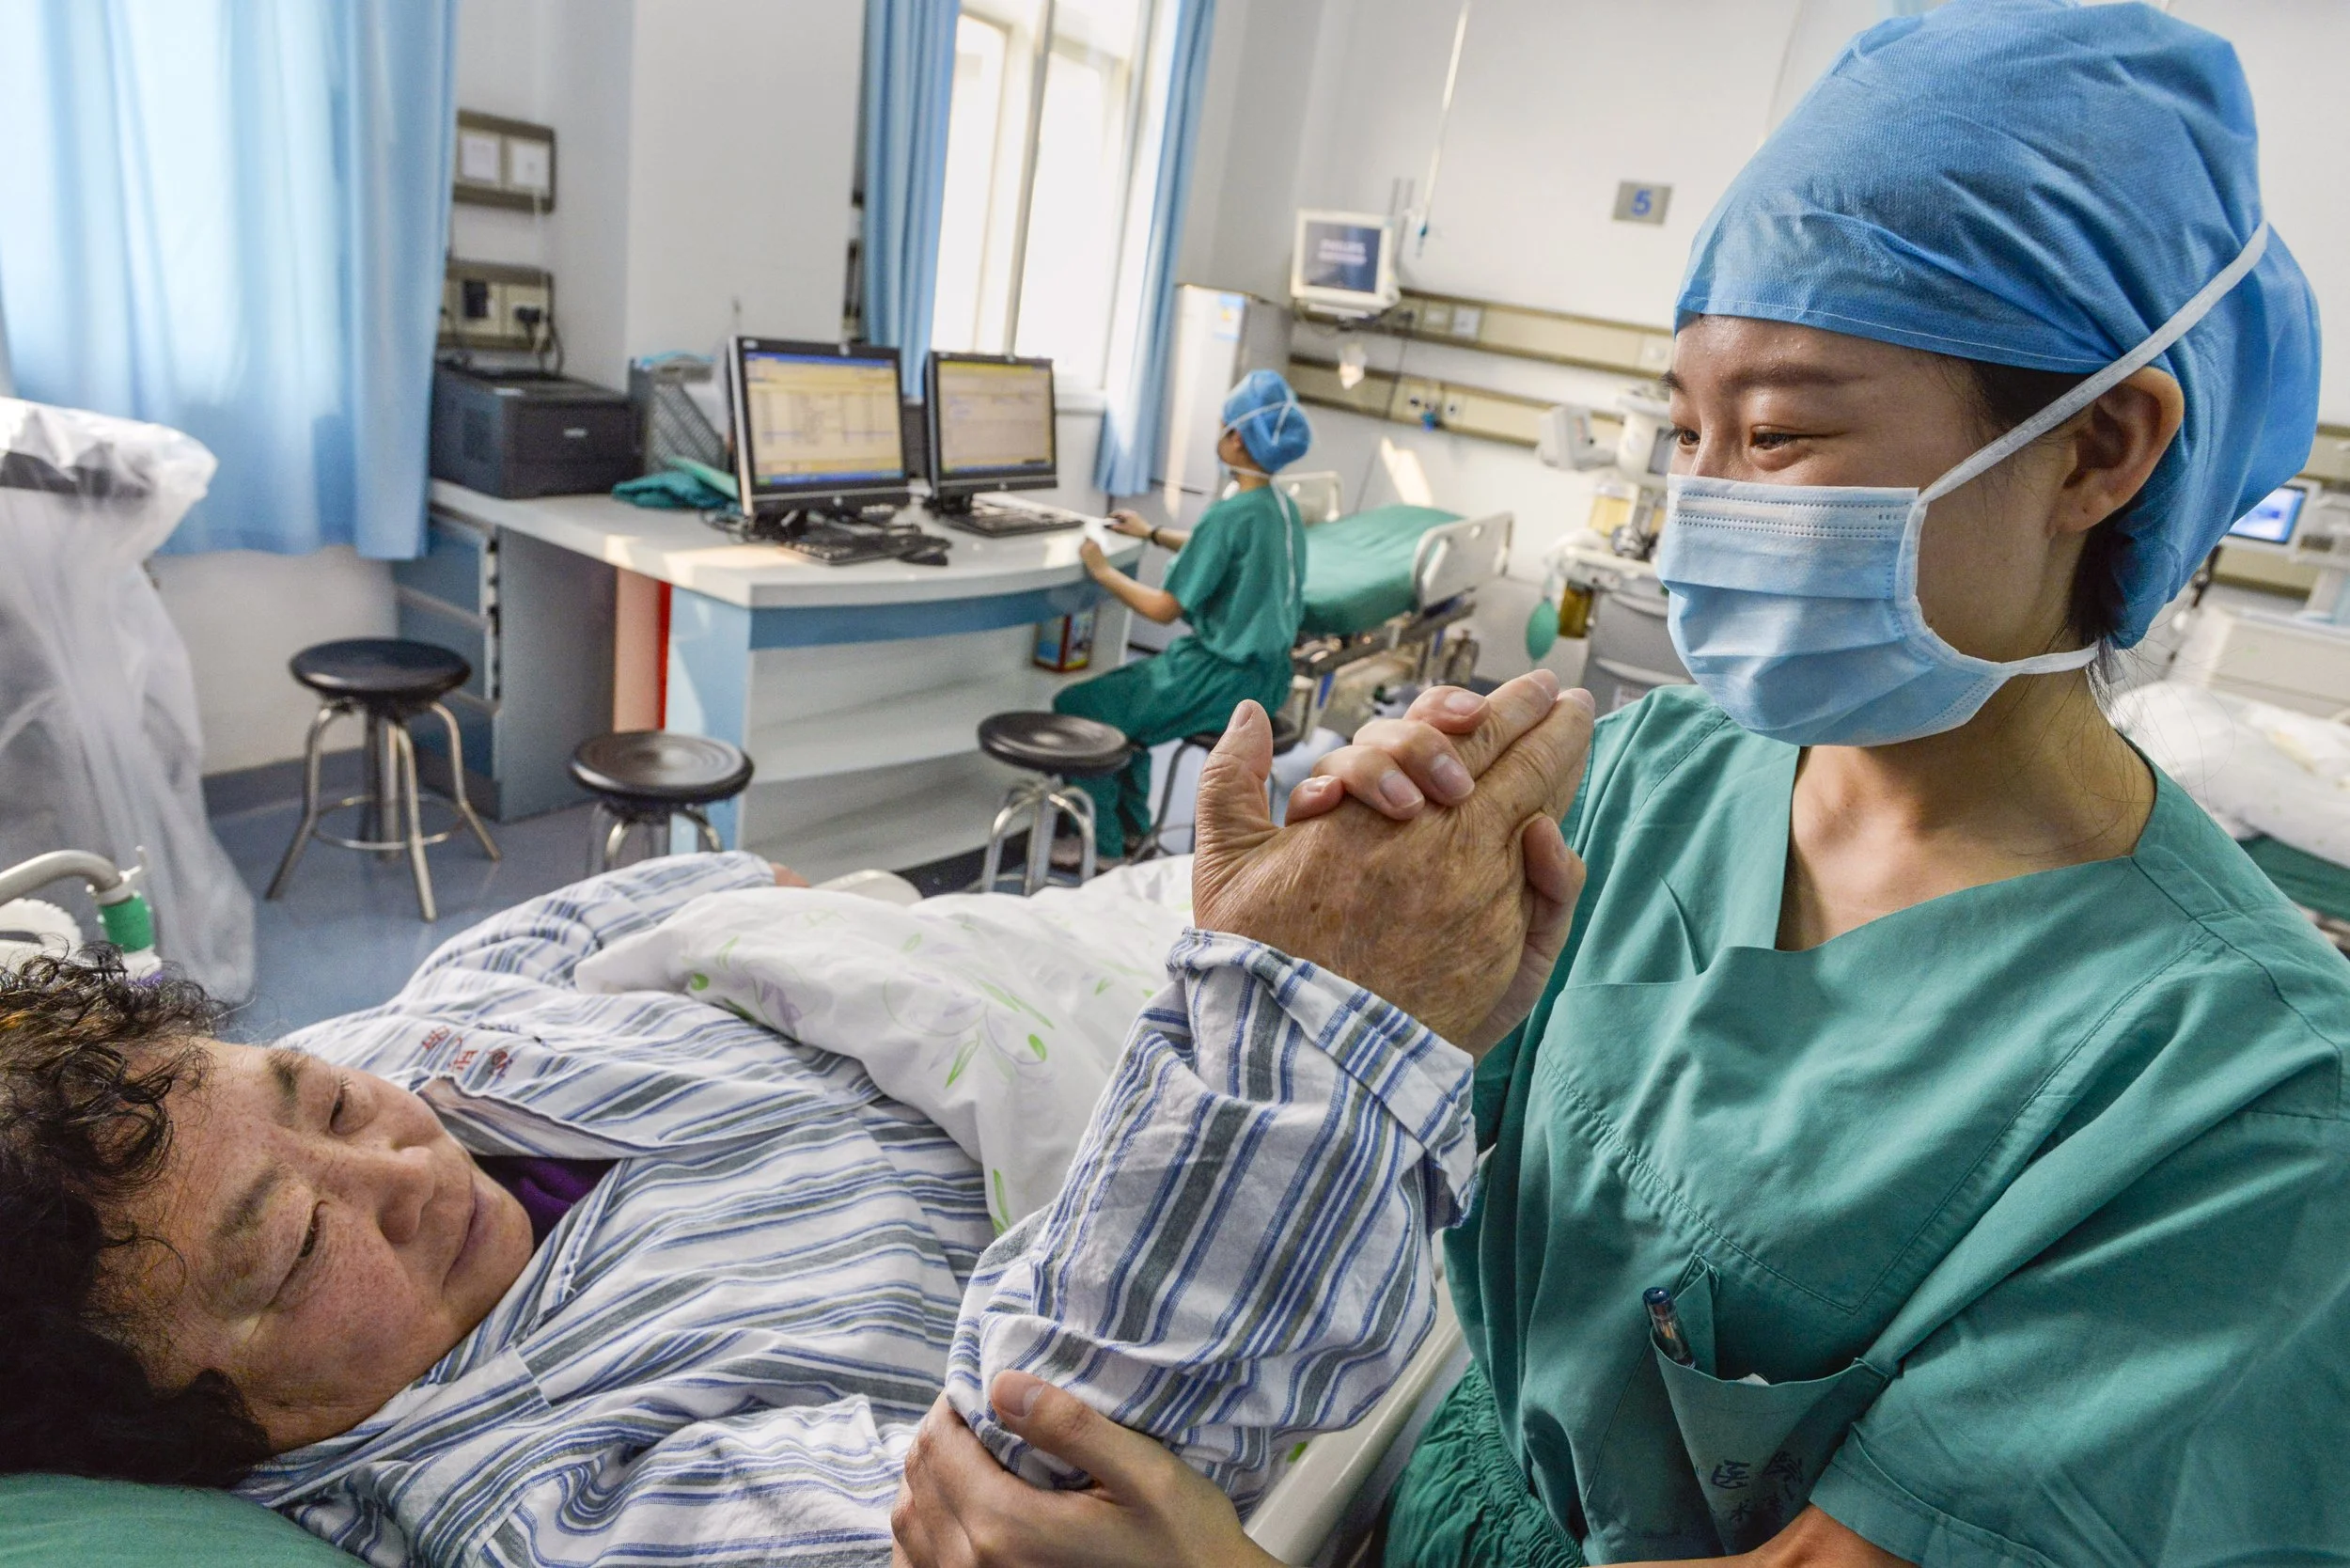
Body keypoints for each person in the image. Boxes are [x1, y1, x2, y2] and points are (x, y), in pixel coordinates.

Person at [888, 3, 2349, 1565]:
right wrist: (1328, 976)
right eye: (1685, 432)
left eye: (1777, 434)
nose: (1697, 510)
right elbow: (1359, 1166)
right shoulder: (1657, 776)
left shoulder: (2248, 1100)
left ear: (2098, 450)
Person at [0, 672, 1587, 1565]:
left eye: (321, 1094)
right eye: (292, 1252)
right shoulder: (561, 1497)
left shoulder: (358, 1065)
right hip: (1210, 1072)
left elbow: (539, 940)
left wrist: (794, 910)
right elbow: (1047, 1478)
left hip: (1059, 950)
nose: (399, 1159)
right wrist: (1303, 1005)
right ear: (220, 1434)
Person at [1053, 368, 1311, 862]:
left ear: (1236, 438)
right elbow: (1217, 550)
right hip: (1269, 675)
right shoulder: (1277, 506)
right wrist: (1151, 533)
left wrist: (1101, 570)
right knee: (1128, 712)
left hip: (1219, 677)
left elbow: (1163, 608)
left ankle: (1100, 845)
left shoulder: (1229, 513)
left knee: (1085, 705)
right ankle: (1132, 832)